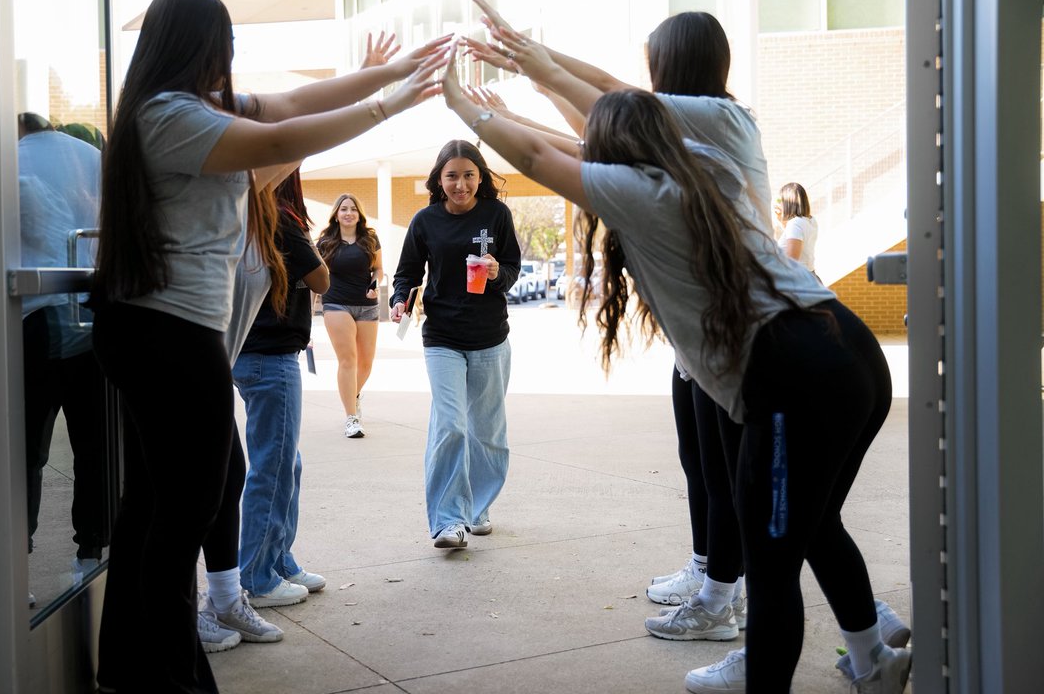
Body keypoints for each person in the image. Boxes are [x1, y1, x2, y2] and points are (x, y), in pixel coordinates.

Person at [443, 50, 911, 692]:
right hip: (847, 345)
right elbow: (575, 137)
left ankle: (830, 665)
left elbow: (538, 156)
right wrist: (526, 87)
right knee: (814, 522)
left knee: (771, 564)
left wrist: (463, 104)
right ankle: (873, 659)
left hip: (794, 377)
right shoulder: (704, 162)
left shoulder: (643, 195)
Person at [89, 0, 447, 693]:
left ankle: (126, 670)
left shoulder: (183, 108)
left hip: (154, 329)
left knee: (155, 505)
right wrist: (392, 103)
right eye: (225, 42)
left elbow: (291, 105)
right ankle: (169, 679)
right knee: (184, 513)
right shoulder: (171, 116)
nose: (230, 55)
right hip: (169, 333)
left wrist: (389, 73)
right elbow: (280, 139)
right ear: (199, 44)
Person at [389, 139, 521, 549]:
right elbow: (406, 273)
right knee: (450, 426)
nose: (460, 184)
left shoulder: (496, 215)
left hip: (490, 338)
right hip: (442, 337)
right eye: (451, 176)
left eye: (468, 175)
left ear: (480, 177)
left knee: (488, 434)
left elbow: (512, 269)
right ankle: (449, 520)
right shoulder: (425, 221)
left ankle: (477, 508)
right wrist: (399, 300)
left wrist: (497, 273)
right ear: (439, 179)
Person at [17, 112, 109, 589]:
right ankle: (91, 554)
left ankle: (18, 563)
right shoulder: (92, 159)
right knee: (93, 446)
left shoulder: (10, 163)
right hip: (93, 316)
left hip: (37, 319)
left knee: (26, 449)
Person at [232, 171, 331, 609]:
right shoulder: (279, 217)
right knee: (273, 468)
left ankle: (278, 560)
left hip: (252, 352)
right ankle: (257, 576)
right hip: (271, 356)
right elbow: (322, 279)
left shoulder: (247, 214)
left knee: (286, 464)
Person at [316, 193, 382, 438]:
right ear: (336, 214)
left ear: (359, 214)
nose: (348, 213)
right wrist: (309, 309)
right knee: (348, 359)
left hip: (367, 305)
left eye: (353, 209)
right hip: (336, 304)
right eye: (343, 209)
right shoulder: (325, 242)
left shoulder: (370, 238)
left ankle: (352, 396)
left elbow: (378, 269)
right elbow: (315, 276)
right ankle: (351, 418)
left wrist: (375, 284)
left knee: (366, 363)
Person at [775, 181, 819, 277]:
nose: (780, 204)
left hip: (798, 279)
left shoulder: (795, 224)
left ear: (787, 203)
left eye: (781, 201)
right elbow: (795, 236)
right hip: (809, 275)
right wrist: (782, 221)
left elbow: (792, 262)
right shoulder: (811, 220)